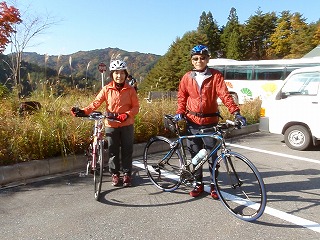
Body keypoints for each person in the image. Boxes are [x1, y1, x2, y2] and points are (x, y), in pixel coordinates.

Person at [174, 44, 246, 199]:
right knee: (195, 156)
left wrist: (236, 112)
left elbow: (225, 95)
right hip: (192, 122)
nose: (199, 61)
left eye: (202, 58)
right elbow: (182, 97)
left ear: (207, 59)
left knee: (212, 156)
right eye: (195, 58)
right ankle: (198, 184)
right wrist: (180, 113)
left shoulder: (215, 76)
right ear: (192, 61)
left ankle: (213, 185)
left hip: (210, 122)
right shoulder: (187, 77)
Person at [71, 59, 140, 187]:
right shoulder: (107, 89)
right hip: (111, 125)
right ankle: (115, 174)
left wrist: (127, 114)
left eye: (122, 73)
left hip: (127, 124)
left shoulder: (130, 90)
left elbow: (136, 107)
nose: (119, 76)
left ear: (125, 74)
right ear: (112, 75)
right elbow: (96, 103)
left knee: (127, 150)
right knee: (113, 151)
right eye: (116, 73)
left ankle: (127, 174)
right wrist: (83, 111)